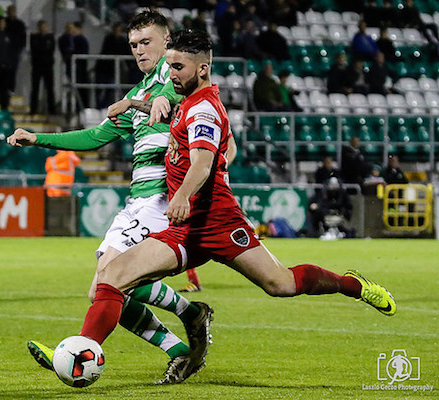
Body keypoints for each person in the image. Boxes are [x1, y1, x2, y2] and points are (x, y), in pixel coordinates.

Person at [21, 29, 396, 384]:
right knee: (112, 276)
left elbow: (202, 162)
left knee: (280, 284)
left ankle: (353, 285)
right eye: (169, 66)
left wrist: (182, 195)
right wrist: (134, 103)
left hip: (219, 223)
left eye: (178, 67)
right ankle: (84, 350)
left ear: (202, 68)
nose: (171, 73)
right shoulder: (187, 100)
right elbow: (169, 117)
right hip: (184, 230)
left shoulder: (204, 110)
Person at [8, 11, 210, 385]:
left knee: (111, 281)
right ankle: (182, 337)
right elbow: (95, 137)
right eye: (133, 45)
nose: (139, 50)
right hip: (137, 201)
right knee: (100, 288)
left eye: (146, 42)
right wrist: (39, 139)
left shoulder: (177, 79)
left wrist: (151, 102)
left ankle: (79, 350)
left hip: (162, 198)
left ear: (167, 42)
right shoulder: (138, 92)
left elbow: (181, 102)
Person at [29, 20, 56, 114]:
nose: (43, 28)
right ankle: (33, 109)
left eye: (44, 26)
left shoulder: (50, 37)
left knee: (50, 88)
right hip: (37, 66)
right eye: (41, 26)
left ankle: (52, 109)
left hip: (48, 66)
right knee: (35, 88)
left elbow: (51, 50)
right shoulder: (34, 37)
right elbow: (34, 50)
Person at [5, 5, 26, 93]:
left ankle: (11, 89)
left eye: (13, 11)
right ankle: (4, 88)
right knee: (5, 70)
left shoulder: (20, 24)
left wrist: (20, 48)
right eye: (10, 11)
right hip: (5, 51)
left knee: (13, 70)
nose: (12, 13)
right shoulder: (4, 22)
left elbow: (23, 38)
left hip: (15, 50)